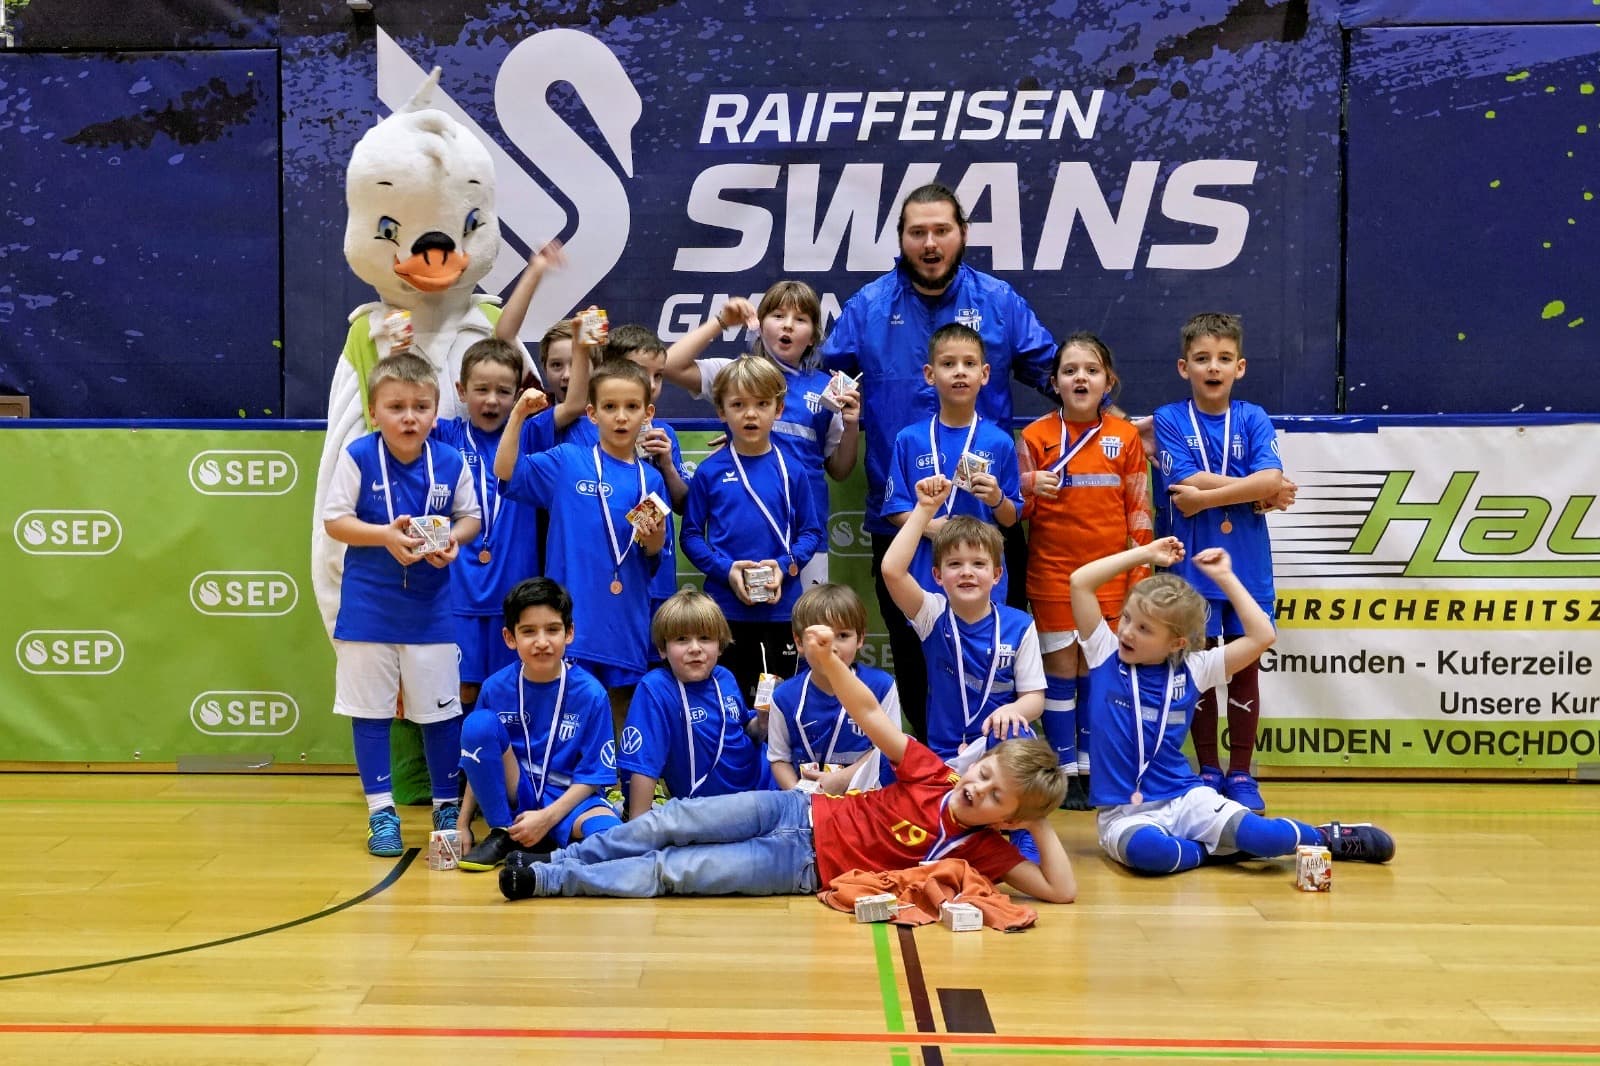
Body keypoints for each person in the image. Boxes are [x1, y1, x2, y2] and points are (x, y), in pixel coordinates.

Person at [498, 623, 1077, 902]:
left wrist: (1037, 821)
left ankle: (552, 879)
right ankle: (564, 856)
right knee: (669, 822)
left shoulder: (986, 849)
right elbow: (870, 714)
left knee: (674, 871)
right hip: (794, 808)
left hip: (800, 866)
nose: (978, 787)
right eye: (985, 772)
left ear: (1010, 819)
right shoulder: (935, 772)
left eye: (996, 796)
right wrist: (828, 661)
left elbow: (1060, 891)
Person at [820, 183, 1055, 732]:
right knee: (915, 660)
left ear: (962, 234)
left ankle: (994, 766)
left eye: (941, 231)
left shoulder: (999, 302)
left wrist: (1115, 422)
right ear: (901, 239)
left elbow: (1059, 374)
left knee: (994, 658)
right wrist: (771, 427)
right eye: (917, 232)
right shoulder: (868, 307)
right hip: (902, 525)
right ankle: (930, 769)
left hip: (985, 530)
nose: (929, 244)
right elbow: (818, 383)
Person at [1068, 536, 1394, 874]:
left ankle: (1327, 837)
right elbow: (1080, 582)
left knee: (1264, 836)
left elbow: (1262, 636)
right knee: (1151, 854)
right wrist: (1145, 554)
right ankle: (1225, 850)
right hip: (1125, 813)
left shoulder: (1195, 668)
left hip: (1184, 798)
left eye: (1144, 629)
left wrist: (1225, 577)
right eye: (1126, 619)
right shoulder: (1104, 653)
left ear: (1176, 643)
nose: (1127, 632)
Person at [320, 352, 483, 856]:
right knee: (370, 713)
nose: (409, 417)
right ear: (374, 412)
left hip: (431, 610)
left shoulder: (450, 460)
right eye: (396, 407)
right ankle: (381, 813)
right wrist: (384, 536)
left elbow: (471, 518)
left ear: (436, 411)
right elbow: (335, 521)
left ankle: (445, 807)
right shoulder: (358, 456)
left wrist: (453, 541)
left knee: (441, 713)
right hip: (368, 609)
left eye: (420, 406)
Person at [1151, 313, 1295, 813]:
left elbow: (1270, 479)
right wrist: (1256, 490)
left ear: (1240, 366)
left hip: (1246, 566)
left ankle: (1241, 772)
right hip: (1190, 567)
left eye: (1224, 358)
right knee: (1198, 667)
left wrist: (1208, 498)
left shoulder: (1252, 417)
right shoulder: (1170, 418)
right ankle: (1208, 768)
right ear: (1184, 366)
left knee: (1245, 668)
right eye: (1202, 358)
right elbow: (1186, 479)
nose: (1213, 367)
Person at [494, 359, 669, 736]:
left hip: (623, 622)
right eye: (610, 406)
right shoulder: (568, 461)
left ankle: (616, 774)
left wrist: (655, 537)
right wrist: (518, 416)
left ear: (647, 413)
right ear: (592, 413)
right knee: (565, 716)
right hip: (572, 621)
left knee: (618, 716)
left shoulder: (650, 479)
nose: (620, 417)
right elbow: (506, 471)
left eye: (631, 407)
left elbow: (653, 553)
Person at [1018, 333, 1152, 809]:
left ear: (1107, 382)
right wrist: (1027, 485)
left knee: (1099, 672)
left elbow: (1139, 511)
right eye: (1070, 370)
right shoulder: (1034, 437)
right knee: (1060, 672)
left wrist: (1139, 577)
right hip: (1053, 576)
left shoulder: (1126, 437)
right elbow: (1016, 510)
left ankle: (1094, 767)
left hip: (1112, 582)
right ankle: (1062, 771)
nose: (1081, 378)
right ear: (1054, 383)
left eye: (1091, 370)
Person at [882, 476, 1046, 862]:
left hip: (995, 750)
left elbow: (1035, 699)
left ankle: (1021, 830)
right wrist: (925, 509)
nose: (967, 572)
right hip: (943, 754)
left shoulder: (1019, 625)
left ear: (997, 575)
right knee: (891, 762)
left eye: (978, 564)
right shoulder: (932, 614)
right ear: (938, 576)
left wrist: (1013, 710)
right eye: (955, 564)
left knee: (1021, 734)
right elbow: (892, 571)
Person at [664, 281, 861, 585]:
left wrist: (851, 425)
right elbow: (669, 366)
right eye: (778, 315)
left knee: (807, 617)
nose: (788, 325)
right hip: (740, 533)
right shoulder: (735, 374)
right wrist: (720, 322)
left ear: (813, 337)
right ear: (759, 324)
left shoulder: (828, 389)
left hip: (804, 538)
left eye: (800, 319)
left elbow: (839, 470)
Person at [680, 357, 825, 705]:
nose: (750, 414)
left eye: (762, 404)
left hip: (780, 610)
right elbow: (690, 536)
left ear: (778, 409)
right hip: (723, 611)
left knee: (771, 706)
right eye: (738, 405)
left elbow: (810, 533)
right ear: (721, 411)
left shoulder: (792, 470)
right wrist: (725, 570)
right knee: (726, 704)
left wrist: (784, 566)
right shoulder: (710, 471)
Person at [453, 578, 622, 870]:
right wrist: (462, 823)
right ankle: (503, 832)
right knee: (477, 725)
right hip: (518, 792)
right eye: (528, 631)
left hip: (570, 799)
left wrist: (547, 818)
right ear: (510, 637)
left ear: (569, 633)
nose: (541, 642)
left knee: (612, 839)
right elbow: (477, 758)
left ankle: (543, 857)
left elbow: (593, 776)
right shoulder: (495, 688)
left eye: (552, 630)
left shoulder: (591, 694)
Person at [429, 339, 544, 709]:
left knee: (511, 691)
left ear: (518, 394)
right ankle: (460, 751)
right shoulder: (446, 435)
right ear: (461, 391)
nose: (492, 401)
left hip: (514, 591)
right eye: (481, 389)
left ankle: (505, 752)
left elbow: (573, 404)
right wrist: (400, 352)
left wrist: (582, 347)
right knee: (460, 691)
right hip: (458, 591)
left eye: (503, 391)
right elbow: (404, 404)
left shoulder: (528, 435)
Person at [882, 323, 1023, 604]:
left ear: (984, 374)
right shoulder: (909, 440)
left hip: (983, 579)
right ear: (930, 374)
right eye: (948, 364)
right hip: (925, 577)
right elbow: (894, 509)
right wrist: (928, 527)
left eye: (969, 363)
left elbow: (1010, 518)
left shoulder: (999, 442)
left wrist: (996, 498)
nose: (960, 371)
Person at [614, 589, 773, 820]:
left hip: (767, 784)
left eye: (705, 638)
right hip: (712, 811)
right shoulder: (656, 687)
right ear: (662, 649)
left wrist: (763, 722)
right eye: (682, 639)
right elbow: (642, 764)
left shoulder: (724, 677)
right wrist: (638, 827)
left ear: (720, 645)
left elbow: (744, 732)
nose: (695, 648)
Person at [767, 584, 900, 795]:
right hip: (804, 801)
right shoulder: (783, 697)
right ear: (799, 642)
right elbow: (779, 759)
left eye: (843, 635)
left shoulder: (881, 687)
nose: (832, 647)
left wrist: (841, 780)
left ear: (860, 638)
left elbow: (888, 750)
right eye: (821, 639)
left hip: (865, 798)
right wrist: (801, 798)